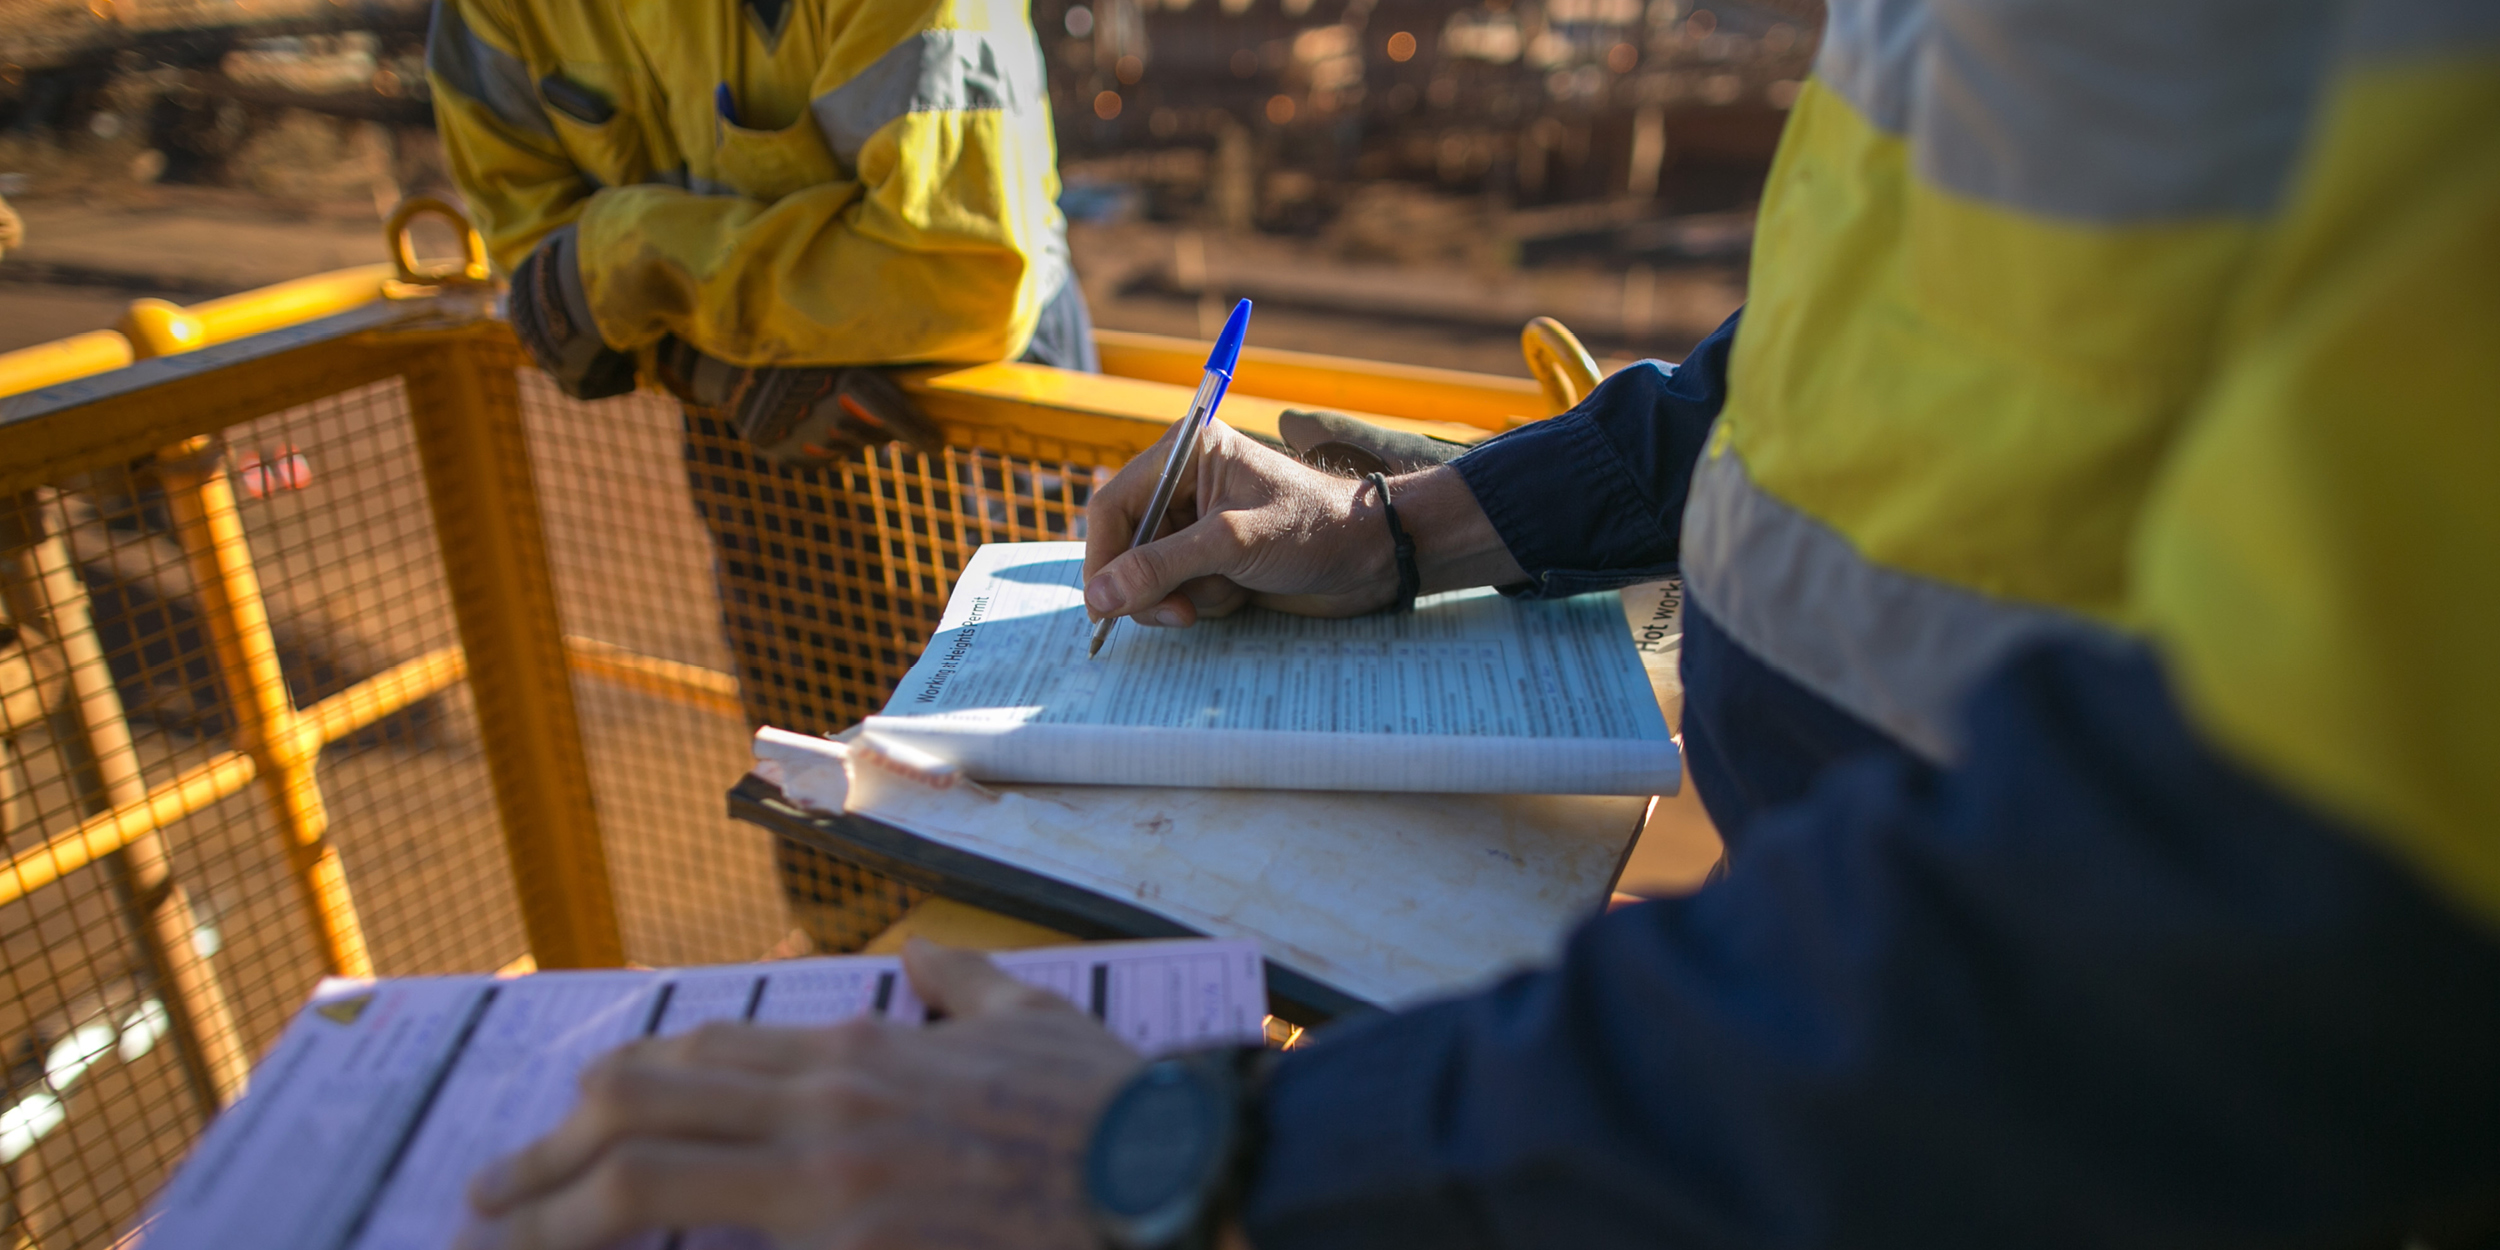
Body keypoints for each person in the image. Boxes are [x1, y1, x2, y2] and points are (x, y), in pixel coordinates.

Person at [448, 2, 2500, 1248]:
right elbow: (1862, 341)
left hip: (2054, 1125)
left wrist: (1199, 1160)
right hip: (1861, 1024)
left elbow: (2284, 937)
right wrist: (1414, 522)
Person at [425, 0, 1097, 949]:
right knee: (832, 831)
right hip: (753, 448)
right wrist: (722, 359)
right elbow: (539, 265)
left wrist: (630, 259)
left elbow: (960, 273)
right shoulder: (494, 15)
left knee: (1060, 840)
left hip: (982, 436)